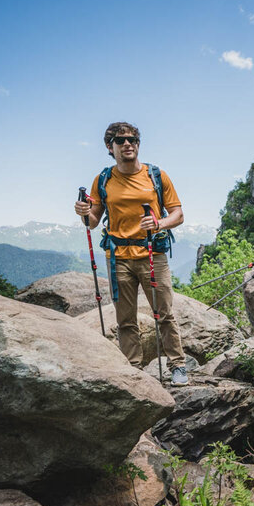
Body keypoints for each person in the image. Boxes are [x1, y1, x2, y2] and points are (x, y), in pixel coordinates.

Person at [74, 122, 190, 386]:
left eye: (133, 139)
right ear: (109, 147)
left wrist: (159, 223)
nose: (128, 144)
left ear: (138, 144)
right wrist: (84, 211)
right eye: (120, 140)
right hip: (118, 256)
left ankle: (178, 366)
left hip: (152, 251)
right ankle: (134, 368)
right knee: (125, 317)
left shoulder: (156, 176)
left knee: (164, 312)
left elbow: (178, 214)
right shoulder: (103, 179)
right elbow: (93, 221)